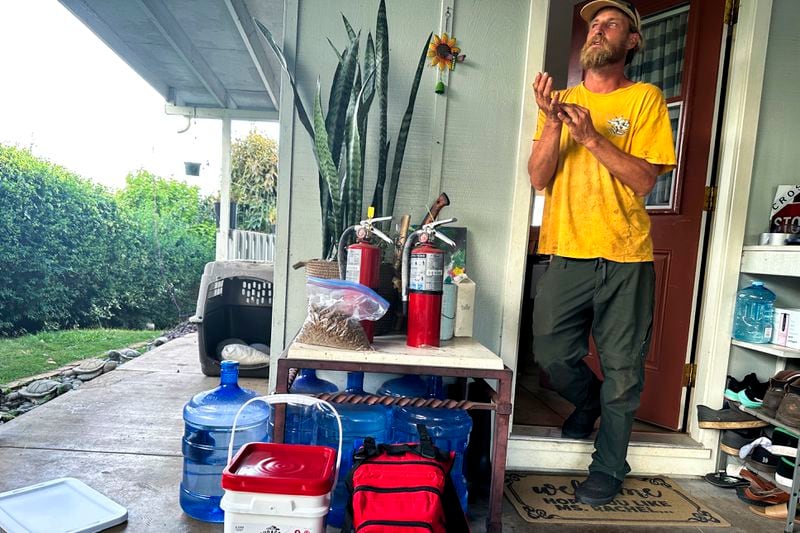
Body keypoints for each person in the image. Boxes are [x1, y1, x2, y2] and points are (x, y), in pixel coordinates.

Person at [527, 0, 676, 506]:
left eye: (611, 23)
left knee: (623, 371)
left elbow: (644, 179)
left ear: (632, 40)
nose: (598, 29)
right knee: (550, 351)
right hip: (567, 250)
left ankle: (610, 465)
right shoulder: (561, 100)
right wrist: (552, 124)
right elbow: (538, 178)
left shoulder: (644, 100)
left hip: (626, 256)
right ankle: (584, 403)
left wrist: (589, 136)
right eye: (594, 23)